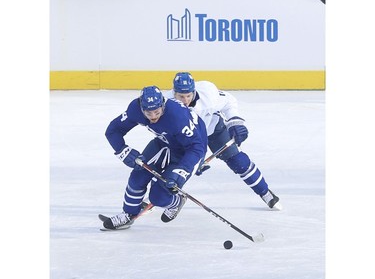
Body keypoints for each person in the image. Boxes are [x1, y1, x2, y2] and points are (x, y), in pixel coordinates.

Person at [164, 72, 282, 210]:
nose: (185, 100)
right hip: (185, 139)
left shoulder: (208, 94)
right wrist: (193, 161)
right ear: (174, 92)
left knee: (238, 161)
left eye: (188, 96)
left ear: (194, 91)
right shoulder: (165, 103)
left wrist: (235, 121)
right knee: (173, 170)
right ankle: (157, 198)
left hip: (213, 129)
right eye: (181, 96)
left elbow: (229, 101)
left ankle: (265, 192)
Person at [103, 85, 208, 229]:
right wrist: (122, 150)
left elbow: (197, 148)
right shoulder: (135, 109)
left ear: (163, 105)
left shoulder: (177, 117)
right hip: (164, 142)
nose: (153, 117)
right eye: (148, 113)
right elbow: (113, 130)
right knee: (137, 177)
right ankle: (128, 214)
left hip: (189, 150)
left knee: (159, 196)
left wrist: (181, 171)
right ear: (141, 108)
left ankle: (177, 201)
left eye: (157, 112)